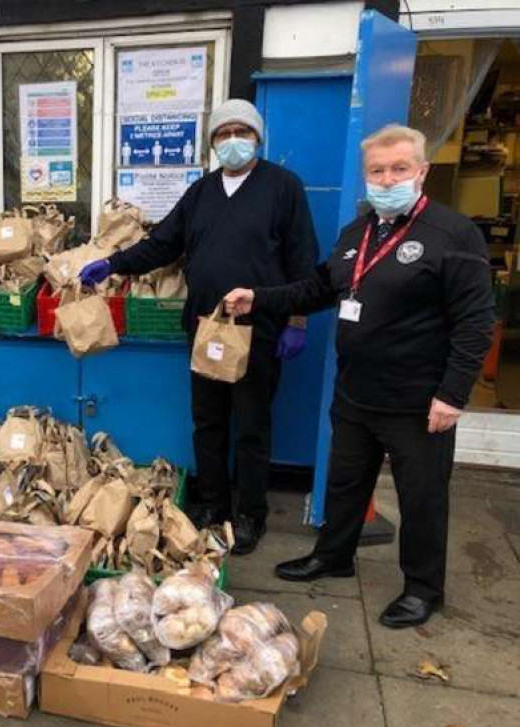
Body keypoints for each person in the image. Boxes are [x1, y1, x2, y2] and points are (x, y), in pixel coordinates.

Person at [223, 124, 495, 628]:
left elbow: (476, 323)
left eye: (398, 169)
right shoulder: (359, 233)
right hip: (356, 392)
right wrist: (259, 296)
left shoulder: (453, 235)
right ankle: (333, 556)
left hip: (418, 399)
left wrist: (453, 394)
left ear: (421, 172)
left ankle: (422, 588)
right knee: (346, 483)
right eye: (377, 170)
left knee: (423, 497)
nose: (387, 177)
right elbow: (317, 289)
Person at [80, 99, 318, 555]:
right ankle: (212, 503)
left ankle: (250, 514)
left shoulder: (283, 188)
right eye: (223, 134)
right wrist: (112, 263)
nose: (232, 141)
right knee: (207, 421)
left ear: (257, 137)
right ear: (212, 142)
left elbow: (302, 259)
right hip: (206, 331)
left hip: (258, 329)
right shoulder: (201, 193)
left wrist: (297, 320)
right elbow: (163, 244)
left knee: (252, 426)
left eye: (240, 132)